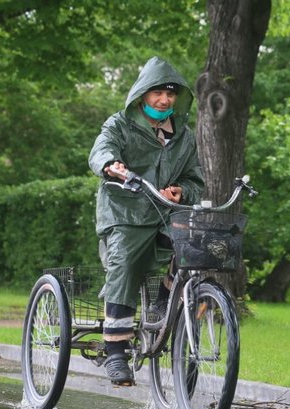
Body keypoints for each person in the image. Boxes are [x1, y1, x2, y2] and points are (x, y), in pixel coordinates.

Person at [88, 56, 204, 385]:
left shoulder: (184, 136)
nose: (164, 100)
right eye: (157, 93)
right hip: (124, 211)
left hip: (164, 212)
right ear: (142, 95)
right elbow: (100, 151)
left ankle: (162, 303)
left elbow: (196, 180)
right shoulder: (120, 124)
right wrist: (112, 164)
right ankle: (115, 351)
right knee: (124, 264)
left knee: (192, 246)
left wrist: (182, 191)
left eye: (170, 94)